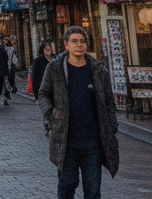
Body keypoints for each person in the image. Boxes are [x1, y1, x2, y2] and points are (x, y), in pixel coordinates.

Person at [37, 26, 120, 199]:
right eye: (74, 41)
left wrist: (111, 125)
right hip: (66, 140)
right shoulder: (55, 68)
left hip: (93, 142)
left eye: (82, 41)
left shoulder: (98, 70)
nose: (79, 45)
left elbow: (109, 101)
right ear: (66, 45)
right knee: (67, 186)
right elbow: (43, 94)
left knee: (93, 189)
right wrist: (52, 116)